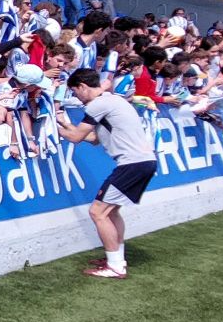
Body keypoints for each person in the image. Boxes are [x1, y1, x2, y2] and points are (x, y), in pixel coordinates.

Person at [51, 68, 159, 279]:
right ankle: (117, 259)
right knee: (111, 212)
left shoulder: (98, 104)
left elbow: (75, 138)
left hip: (132, 164)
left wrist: (51, 128)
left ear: (82, 87)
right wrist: (64, 124)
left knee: (97, 212)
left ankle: (115, 267)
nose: (76, 97)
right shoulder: (113, 101)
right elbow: (93, 139)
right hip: (143, 162)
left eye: (75, 92)